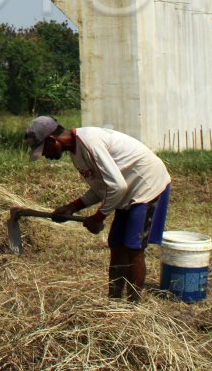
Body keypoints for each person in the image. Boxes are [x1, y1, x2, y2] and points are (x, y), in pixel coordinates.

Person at [25, 115, 171, 301]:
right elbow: (102, 187)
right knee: (117, 245)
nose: (44, 155)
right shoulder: (76, 152)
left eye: (43, 149)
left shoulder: (90, 143)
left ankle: (134, 306)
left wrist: (99, 217)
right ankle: (114, 300)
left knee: (133, 247)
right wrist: (72, 207)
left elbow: (117, 186)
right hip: (127, 190)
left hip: (146, 185)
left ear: (53, 140)